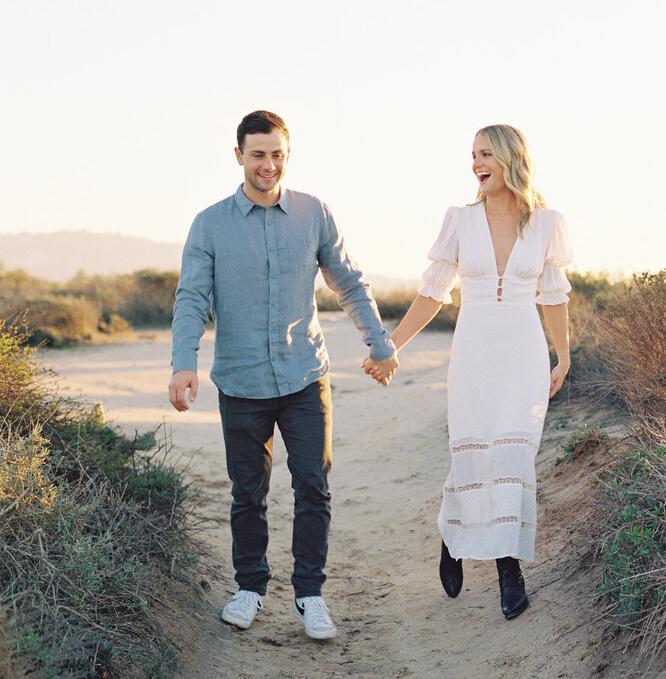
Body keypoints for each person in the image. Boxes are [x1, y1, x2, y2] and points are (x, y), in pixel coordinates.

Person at [169, 110, 399, 640]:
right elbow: (191, 299)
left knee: (313, 486)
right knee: (247, 491)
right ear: (239, 157)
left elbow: (348, 282)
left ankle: (309, 595)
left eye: (277, 154)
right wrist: (184, 361)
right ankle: (249, 587)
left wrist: (379, 341)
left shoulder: (313, 213)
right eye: (257, 155)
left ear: (286, 155)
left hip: (304, 378)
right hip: (241, 382)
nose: (268, 165)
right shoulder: (209, 224)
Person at [366, 124, 571, 619]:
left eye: (485, 154)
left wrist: (562, 356)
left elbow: (554, 296)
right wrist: (390, 344)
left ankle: (509, 570)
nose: (476, 163)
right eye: (472, 155)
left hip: (523, 354)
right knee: (474, 455)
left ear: (510, 159)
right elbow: (433, 291)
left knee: (514, 457)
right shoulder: (459, 219)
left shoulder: (547, 222)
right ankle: (453, 536)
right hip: (474, 354)